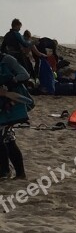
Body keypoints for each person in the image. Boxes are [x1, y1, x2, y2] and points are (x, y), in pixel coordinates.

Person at [0, 52, 31, 180]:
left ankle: (5, 172)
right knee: (9, 139)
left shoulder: (7, 60)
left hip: (11, 104)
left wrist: (10, 83)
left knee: (4, 139)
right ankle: (19, 173)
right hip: (4, 104)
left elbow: (25, 75)